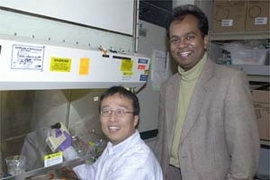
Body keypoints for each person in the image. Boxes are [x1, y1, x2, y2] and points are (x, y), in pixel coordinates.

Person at [153, 4, 260, 180]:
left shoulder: (231, 80)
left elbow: (245, 154)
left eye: (190, 37)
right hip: (169, 173)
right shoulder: (168, 86)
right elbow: (162, 139)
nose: (182, 45)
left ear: (205, 40)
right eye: (175, 39)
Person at [58, 86, 163, 180]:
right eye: (106, 111)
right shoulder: (114, 147)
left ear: (135, 120)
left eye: (120, 112)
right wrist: (67, 149)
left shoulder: (136, 165)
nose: (112, 118)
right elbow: (92, 175)